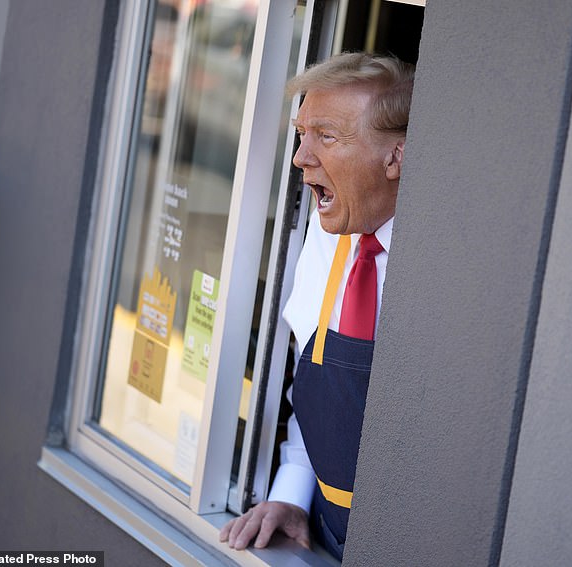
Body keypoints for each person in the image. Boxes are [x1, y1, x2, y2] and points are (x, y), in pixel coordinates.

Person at [220, 52, 415, 560]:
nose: (300, 158)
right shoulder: (330, 238)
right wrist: (291, 495)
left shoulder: (439, 275)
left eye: (325, 136)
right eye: (301, 134)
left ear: (397, 157)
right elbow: (316, 387)